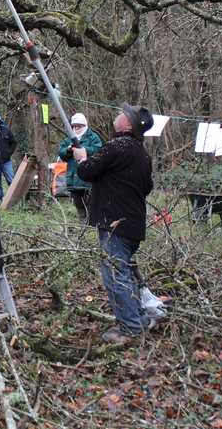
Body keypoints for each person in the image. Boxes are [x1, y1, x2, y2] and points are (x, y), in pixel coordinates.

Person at [74, 103, 154, 346]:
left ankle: (130, 328)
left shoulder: (116, 146)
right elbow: (147, 187)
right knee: (126, 273)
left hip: (115, 224)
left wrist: (82, 158)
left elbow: (87, 172)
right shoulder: (142, 153)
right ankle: (138, 318)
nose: (118, 115)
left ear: (127, 124)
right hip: (133, 224)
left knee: (116, 276)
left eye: (123, 114)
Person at [58, 113, 104, 222]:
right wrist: (69, 150)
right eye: (74, 126)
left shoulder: (93, 137)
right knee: (78, 203)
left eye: (79, 126)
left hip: (89, 179)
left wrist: (83, 149)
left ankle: (91, 224)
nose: (76, 128)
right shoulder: (69, 138)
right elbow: (61, 153)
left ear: (84, 125)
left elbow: (98, 150)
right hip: (73, 177)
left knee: (90, 203)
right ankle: (82, 224)